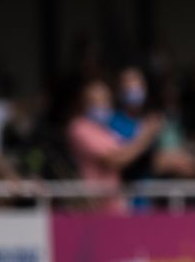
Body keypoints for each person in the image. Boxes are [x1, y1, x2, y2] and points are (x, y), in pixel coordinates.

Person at [65, 79, 161, 208]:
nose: (102, 105)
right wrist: (146, 136)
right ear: (83, 104)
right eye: (95, 101)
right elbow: (116, 159)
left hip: (115, 205)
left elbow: (127, 152)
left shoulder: (106, 128)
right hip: (93, 207)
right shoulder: (79, 128)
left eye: (105, 100)